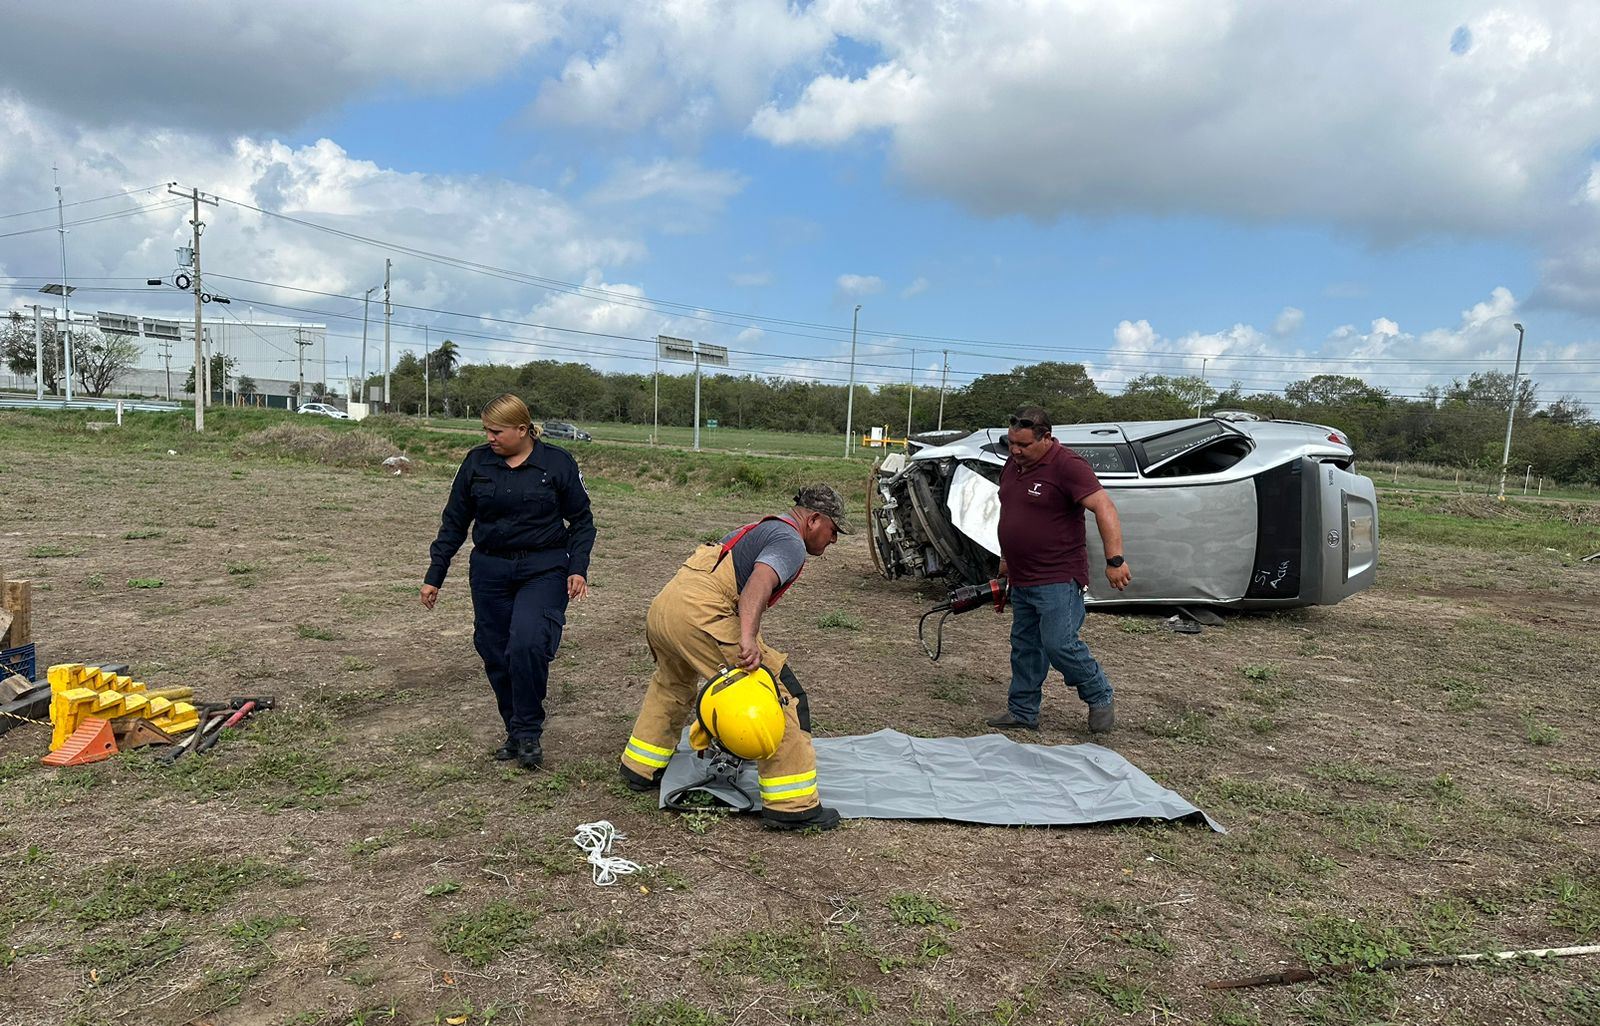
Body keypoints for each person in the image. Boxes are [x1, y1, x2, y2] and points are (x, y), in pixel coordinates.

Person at [619, 485, 851, 831]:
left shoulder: (759, 528)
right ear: (813, 519)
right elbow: (758, 584)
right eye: (834, 530)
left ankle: (639, 768)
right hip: (701, 618)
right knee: (782, 696)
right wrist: (747, 640)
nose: (834, 540)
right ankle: (793, 806)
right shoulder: (790, 542)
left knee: (672, 684)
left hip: (665, 610)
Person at [420, 394, 594, 769]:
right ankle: (514, 729)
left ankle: (529, 731)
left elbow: (582, 522)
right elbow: (454, 522)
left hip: (544, 568)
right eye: (485, 430)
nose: (490, 437)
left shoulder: (557, 463)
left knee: (529, 643)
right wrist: (435, 574)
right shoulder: (476, 462)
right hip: (490, 570)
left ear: (521, 429)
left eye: (496, 431)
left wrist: (577, 567)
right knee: (495, 651)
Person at [986, 405, 1130, 734]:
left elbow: (1104, 506)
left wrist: (1115, 560)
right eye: (1011, 443)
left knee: (1058, 643)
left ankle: (1099, 693)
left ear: (1047, 438)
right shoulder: (1013, 464)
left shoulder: (1068, 465)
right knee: (1025, 645)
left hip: (1057, 576)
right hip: (1022, 576)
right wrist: (1006, 560)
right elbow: (1010, 512)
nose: (1015, 451)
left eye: (1023, 445)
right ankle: (1022, 711)